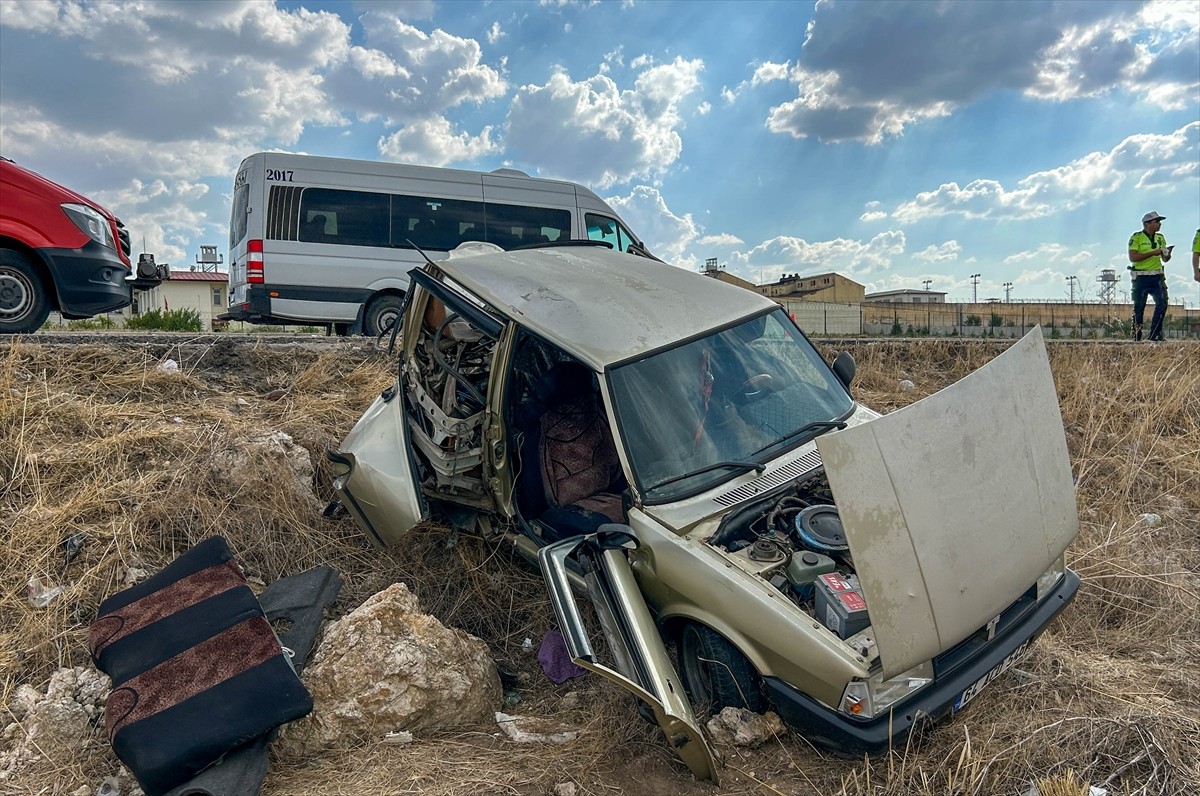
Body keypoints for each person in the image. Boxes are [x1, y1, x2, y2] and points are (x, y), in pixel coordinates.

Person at [1127, 211, 1173, 341]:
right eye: (1157, 221)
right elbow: (1133, 257)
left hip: (1157, 276)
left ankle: (1155, 334)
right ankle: (1136, 335)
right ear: (1148, 223)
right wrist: (1154, 252)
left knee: (1162, 303)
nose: (1159, 224)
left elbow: (1164, 259)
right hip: (1140, 277)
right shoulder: (1136, 237)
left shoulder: (1160, 238)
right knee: (1139, 307)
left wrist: (1167, 254)